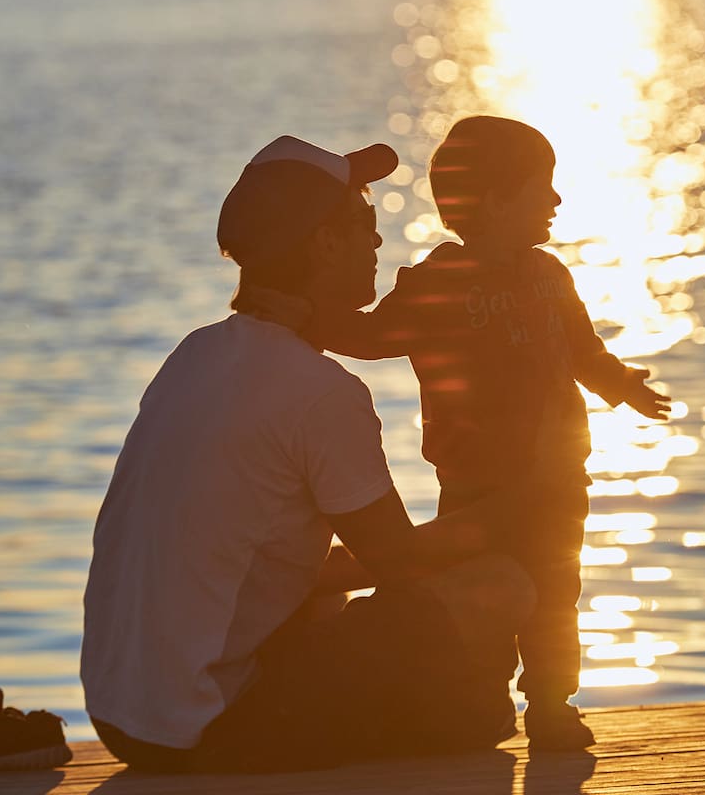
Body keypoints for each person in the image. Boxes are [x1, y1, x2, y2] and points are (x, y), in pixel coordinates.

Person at [80, 134, 545, 773]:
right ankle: (470, 715)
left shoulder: (193, 357)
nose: (378, 243)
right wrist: (515, 512)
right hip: (210, 726)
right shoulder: (322, 392)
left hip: (123, 718)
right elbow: (399, 561)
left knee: (324, 595)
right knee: (501, 584)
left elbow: (259, 564)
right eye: (365, 224)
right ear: (324, 242)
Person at [312, 116, 671, 750]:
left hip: (557, 483)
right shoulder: (437, 283)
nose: (556, 201)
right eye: (544, 187)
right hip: (476, 487)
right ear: (499, 202)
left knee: (556, 595)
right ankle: (480, 697)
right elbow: (368, 338)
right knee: (483, 594)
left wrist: (623, 386)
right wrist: (304, 318)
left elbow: (582, 351)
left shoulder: (549, 275)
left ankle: (552, 706)